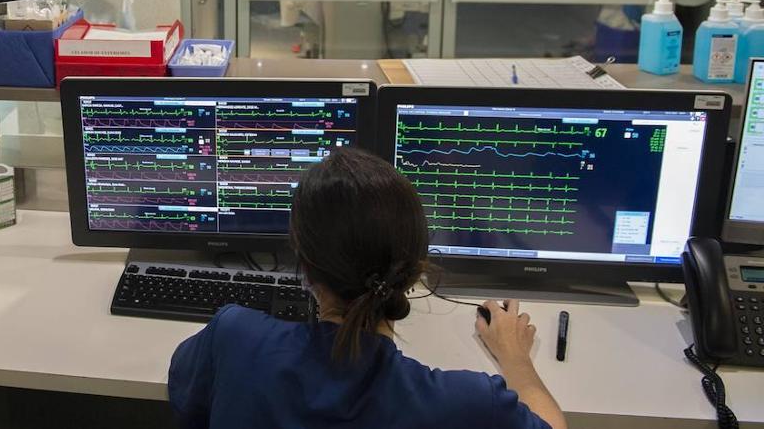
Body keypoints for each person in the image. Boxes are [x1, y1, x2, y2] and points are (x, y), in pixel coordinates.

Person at [168, 148, 567, 429]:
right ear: (414, 271)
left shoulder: (233, 337)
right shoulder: (469, 403)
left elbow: (188, 399)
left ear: (304, 267)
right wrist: (517, 360)